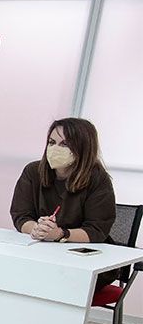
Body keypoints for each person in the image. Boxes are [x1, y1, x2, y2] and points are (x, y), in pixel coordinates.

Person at [11, 118, 117, 279]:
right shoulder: (33, 171)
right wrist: (36, 229)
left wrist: (60, 234)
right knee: (15, 274)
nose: (55, 149)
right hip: (42, 253)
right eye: (52, 142)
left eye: (64, 144)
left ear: (82, 149)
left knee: (47, 280)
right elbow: (21, 215)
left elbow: (97, 230)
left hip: (83, 261)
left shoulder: (97, 179)